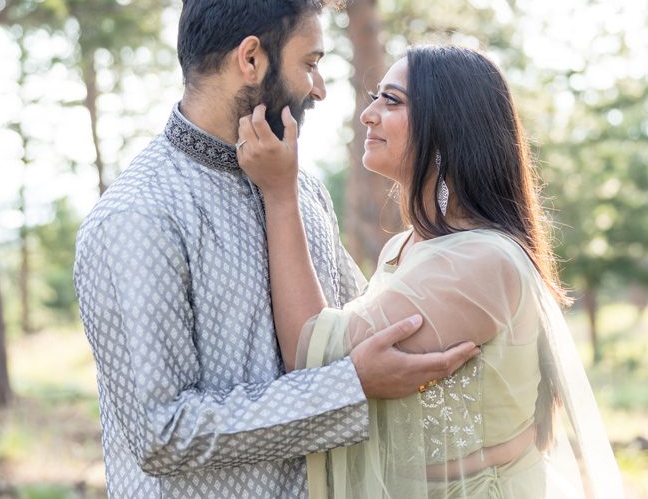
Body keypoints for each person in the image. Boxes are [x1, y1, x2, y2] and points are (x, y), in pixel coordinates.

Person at [72, 0, 479, 498]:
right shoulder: (139, 217)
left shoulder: (301, 189)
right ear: (251, 59)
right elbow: (162, 432)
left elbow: (356, 331)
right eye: (310, 63)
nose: (320, 88)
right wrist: (347, 388)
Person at [237, 44, 624, 498]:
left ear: (447, 130)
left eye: (392, 101)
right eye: (375, 97)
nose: (368, 114)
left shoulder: (480, 261)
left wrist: (280, 194)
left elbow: (311, 353)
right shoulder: (405, 247)